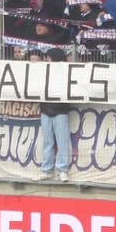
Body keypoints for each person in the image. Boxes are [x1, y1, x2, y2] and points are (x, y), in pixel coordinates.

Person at [39, 48, 73, 182]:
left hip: (60, 111)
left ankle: (62, 171)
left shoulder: (66, 74)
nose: (47, 61)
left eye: (49, 59)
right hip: (46, 111)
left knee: (62, 142)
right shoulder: (43, 73)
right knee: (48, 142)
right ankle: (46, 170)